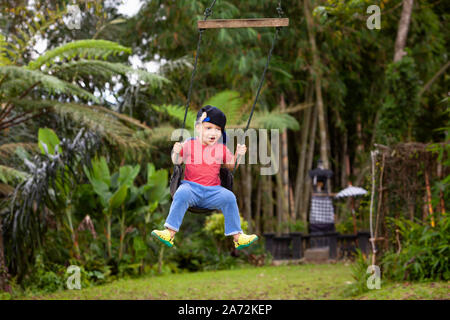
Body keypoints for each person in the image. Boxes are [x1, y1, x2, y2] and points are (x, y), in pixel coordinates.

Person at [151, 105, 258, 250]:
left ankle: (238, 238)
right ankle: (169, 233)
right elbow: (177, 162)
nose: (213, 132)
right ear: (198, 128)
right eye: (209, 128)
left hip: (214, 191)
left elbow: (231, 166)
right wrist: (175, 152)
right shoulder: (189, 144)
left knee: (229, 197)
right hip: (191, 188)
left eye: (218, 129)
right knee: (181, 193)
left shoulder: (221, 149)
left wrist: (239, 154)